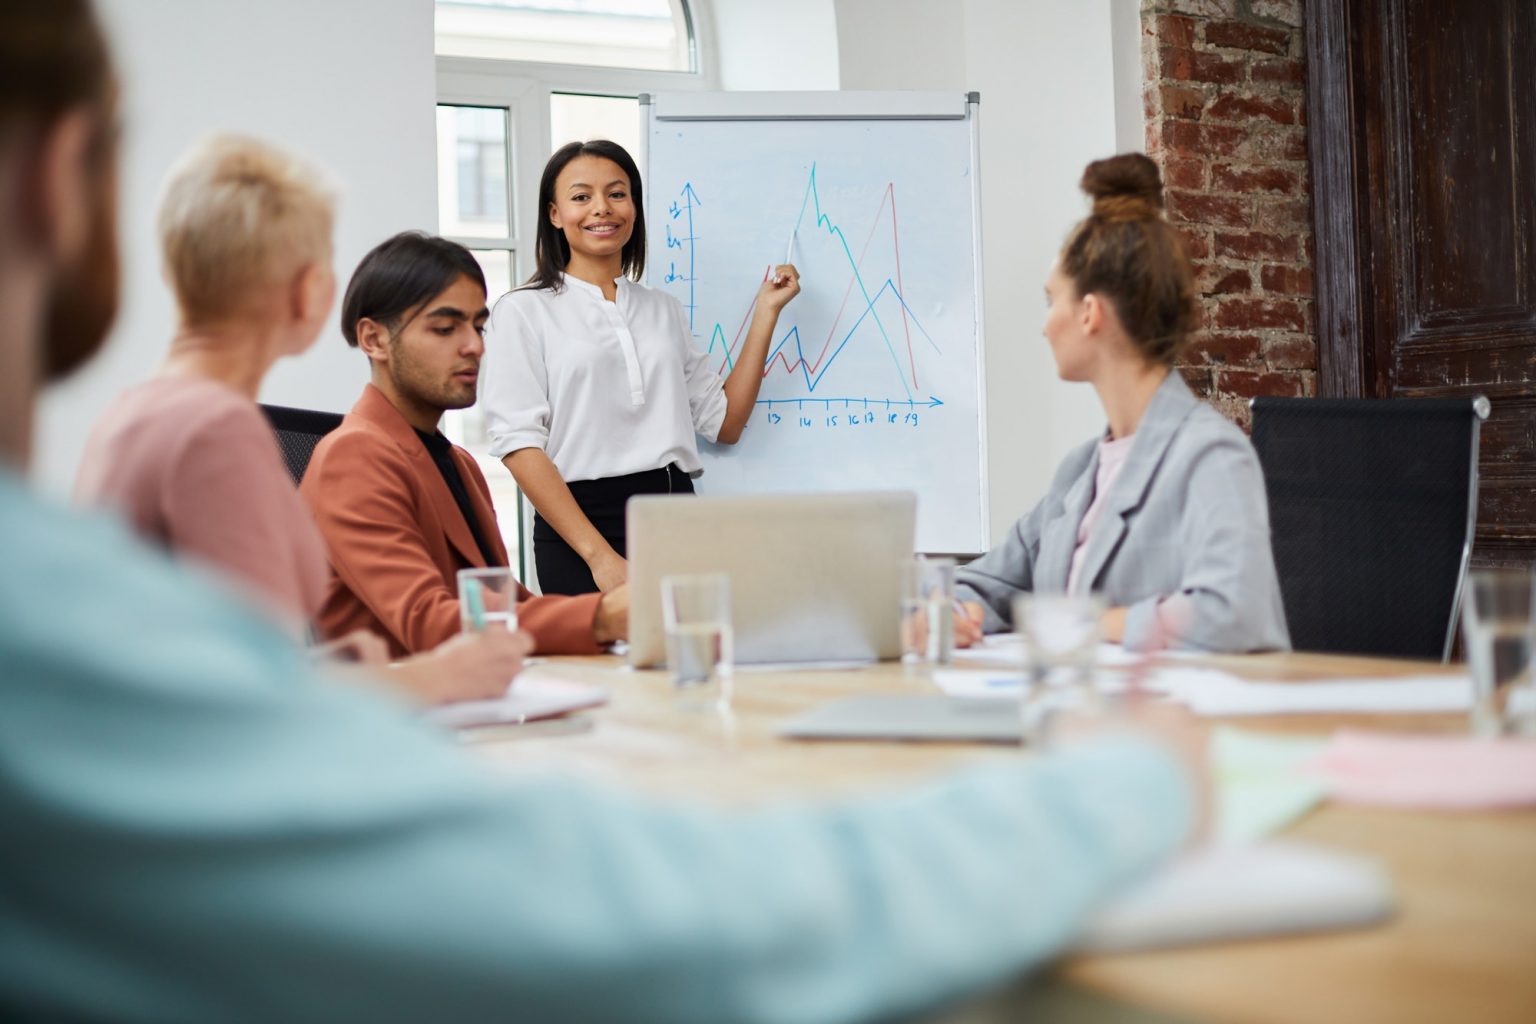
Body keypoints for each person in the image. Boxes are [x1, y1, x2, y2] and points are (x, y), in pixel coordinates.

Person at [2, 4, 1203, 1019]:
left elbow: (710, 427)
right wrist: (1116, 789)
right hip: (592, 537)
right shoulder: (135, 570)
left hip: (660, 520)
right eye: (447, 328)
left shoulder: (573, 374)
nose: (471, 347)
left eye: (616, 192)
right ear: (65, 181)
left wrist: (769, 322)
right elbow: (625, 908)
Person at [72, 135, 525, 704]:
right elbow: (246, 702)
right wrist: (433, 677)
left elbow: (224, 659)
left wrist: (343, 670)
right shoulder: (216, 431)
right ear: (311, 291)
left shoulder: (137, 412)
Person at [954, 154, 1290, 654]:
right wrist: (956, 612)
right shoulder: (1079, 472)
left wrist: (1087, 626)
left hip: (1178, 725)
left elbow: (1234, 613)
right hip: (1079, 716)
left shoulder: (1212, 455)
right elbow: (985, 582)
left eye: (1052, 302)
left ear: (1089, 313)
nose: (1045, 325)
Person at [480, 139, 801, 595]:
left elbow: (725, 423)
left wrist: (766, 312)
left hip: (675, 515)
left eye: (617, 193)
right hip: (581, 527)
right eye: (580, 197)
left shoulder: (661, 309)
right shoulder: (522, 311)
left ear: (634, 206)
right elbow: (519, 445)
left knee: (691, 658)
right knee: (598, 665)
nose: (601, 209)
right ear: (554, 214)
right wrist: (599, 557)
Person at [301, 231, 627, 657]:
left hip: (478, 700)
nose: (474, 346)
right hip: (402, 711)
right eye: (444, 328)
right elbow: (429, 623)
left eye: (478, 326)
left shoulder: (458, 462)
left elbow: (503, 604)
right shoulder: (353, 457)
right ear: (374, 340)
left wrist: (616, 621)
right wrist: (603, 616)